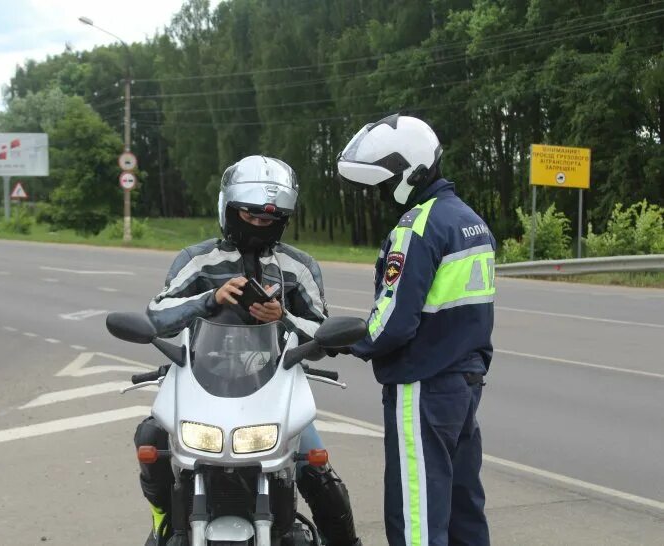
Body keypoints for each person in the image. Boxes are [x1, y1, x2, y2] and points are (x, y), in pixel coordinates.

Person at [135, 155, 362, 546]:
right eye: (250, 216)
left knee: (316, 469)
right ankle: (164, 518)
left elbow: (324, 337)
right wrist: (208, 299)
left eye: (269, 219)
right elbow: (157, 315)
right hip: (199, 386)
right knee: (151, 440)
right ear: (228, 209)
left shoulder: (298, 267)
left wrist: (283, 316)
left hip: (274, 389)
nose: (259, 225)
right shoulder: (196, 260)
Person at [336, 114, 494, 546]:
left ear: (409, 171)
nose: (382, 193)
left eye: (385, 182)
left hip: (422, 387)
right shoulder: (471, 222)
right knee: (464, 514)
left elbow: (392, 324)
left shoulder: (417, 227)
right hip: (465, 385)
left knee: (417, 520)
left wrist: (342, 340)